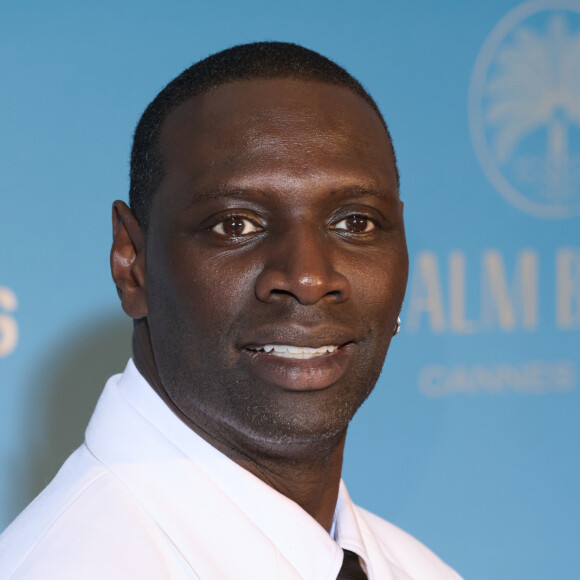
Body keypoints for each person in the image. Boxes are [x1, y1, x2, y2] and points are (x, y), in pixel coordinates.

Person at [0, 42, 462, 579]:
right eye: (236, 225)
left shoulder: (417, 569)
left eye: (354, 223)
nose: (309, 278)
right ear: (132, 263)